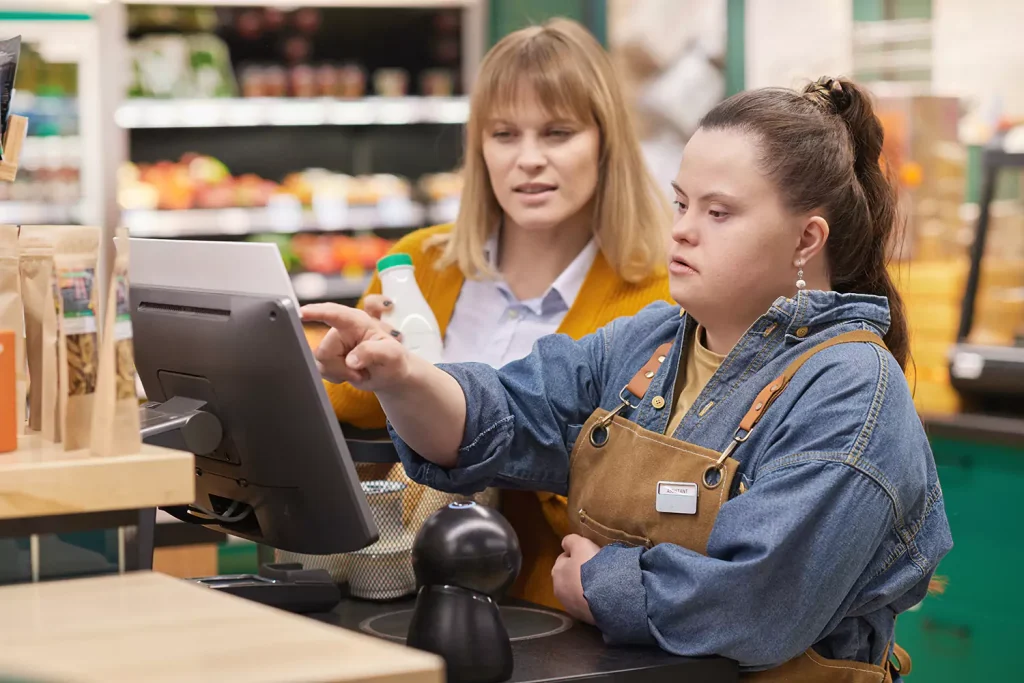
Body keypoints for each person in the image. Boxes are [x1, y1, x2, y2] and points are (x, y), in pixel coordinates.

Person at [303, 76, 953, 679]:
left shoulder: (849, 392)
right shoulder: (651, 342)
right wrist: (398, 374)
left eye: (718, 213)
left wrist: (602, 583)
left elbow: (755, 602)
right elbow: (500, 413)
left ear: (807, 239)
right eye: (681, 203)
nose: (683, 232)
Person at [307, 18, 671, 608]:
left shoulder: (658, 297)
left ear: (606, 142)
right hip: (402, 593)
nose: (528, 159)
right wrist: (350, 365)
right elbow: (356, 417)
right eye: (504, 134)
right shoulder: (419, 264)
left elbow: (636, 488)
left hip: (560, 615)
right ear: (479, 146)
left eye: (557, 132)